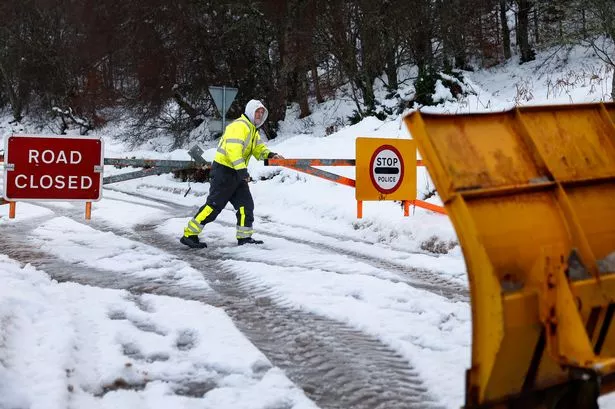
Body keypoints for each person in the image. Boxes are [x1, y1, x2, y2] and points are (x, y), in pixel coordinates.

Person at [180, 99, 283, 249]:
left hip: (236, 173)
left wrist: (271, 155)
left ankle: (244, 238)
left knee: (245, 205)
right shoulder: (239, 126)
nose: (260, 114)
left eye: (262, 112)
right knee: (213, 207)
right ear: (250, 111)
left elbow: (259, 149)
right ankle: (189, 234)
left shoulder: (252, 130)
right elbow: (233, 150)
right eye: (257, 111)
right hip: (224, 171)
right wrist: (242, 171)